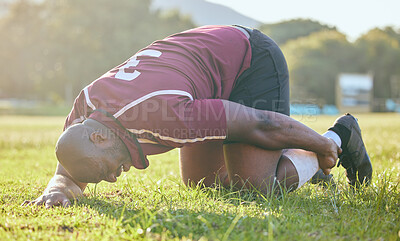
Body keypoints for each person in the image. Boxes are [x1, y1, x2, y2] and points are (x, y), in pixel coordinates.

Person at [23, 25, 372, 208]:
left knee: (255, 187)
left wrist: (323, 147)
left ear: (99, 137)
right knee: (203, 184)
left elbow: (259, 125)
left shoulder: (162, 114)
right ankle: (298, 165)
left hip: (250, 60)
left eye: (102, 172)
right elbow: (67, 172)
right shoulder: (84, 114)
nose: (112, 180)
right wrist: (58, 189)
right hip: (204, 74)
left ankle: (341, 133)